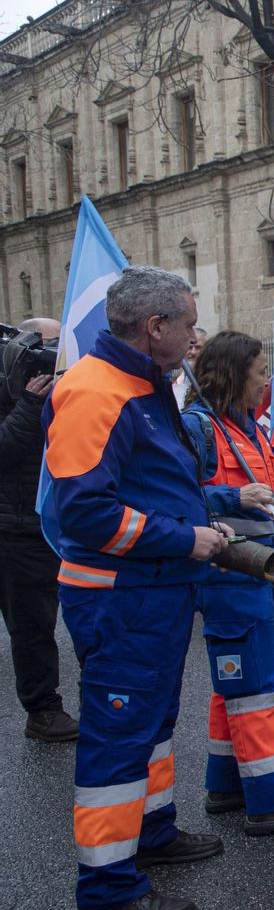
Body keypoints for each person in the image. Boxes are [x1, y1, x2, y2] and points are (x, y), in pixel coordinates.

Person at [44, 266, 230, 910]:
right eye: (187, 322)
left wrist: (201, 525)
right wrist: (186, 538)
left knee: (148, 726)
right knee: (119, 735)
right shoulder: (100, 391)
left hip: (149, 590)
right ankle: (105, 890)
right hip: (122, 597)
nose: (193, 334)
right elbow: (87, 514)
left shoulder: (138, 384)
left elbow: (149, 486)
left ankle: (149, 833)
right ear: (156, 328)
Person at [181, 332, 274, 835]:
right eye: (259, 374)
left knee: (238, 683)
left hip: (261, 571)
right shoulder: (199, 427)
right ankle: (271, 802)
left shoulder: (248, 428)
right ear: (231, 376)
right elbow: (177, 497)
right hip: (231, 575)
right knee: (254, 687)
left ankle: (225, 786)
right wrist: (230, 496)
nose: (267, 382)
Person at [0, 316, 76, 742]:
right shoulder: (13, 392)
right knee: (33, 629)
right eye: (45, 346)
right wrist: (28, 406)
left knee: (83, 617)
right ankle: (42, 711)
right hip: (17, 530)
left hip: (57, 525)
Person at [170, 325, 207, 405]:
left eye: (198, 348)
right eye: (190, 347)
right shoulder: (177, 383)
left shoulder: (212, 380)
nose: (193, 352)